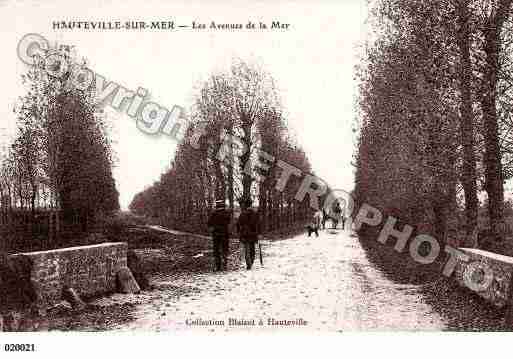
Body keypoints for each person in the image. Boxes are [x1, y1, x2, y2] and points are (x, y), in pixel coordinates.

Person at [236, 198, 261, 270]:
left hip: (245, 234)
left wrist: (238, 231)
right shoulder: (255, 213)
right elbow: (258, 224)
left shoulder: (242, 214)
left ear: (245, 205)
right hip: (253, 233)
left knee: (247, 248)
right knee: (252, 248)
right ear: (251, 204)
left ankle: (248, 263)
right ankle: (251, 261)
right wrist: (259, 232)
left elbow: (238, 224)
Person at [207, 199, 232, 272]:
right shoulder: (226, 213)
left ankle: (218, 266)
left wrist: (213, 227)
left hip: (216, 233)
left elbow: (209, 223)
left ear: (217, 205)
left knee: (216, 249)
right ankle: (225, 263)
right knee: (225, 248)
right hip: (224, 233)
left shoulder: (213, 213)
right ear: (223, 205)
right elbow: (229, 221)